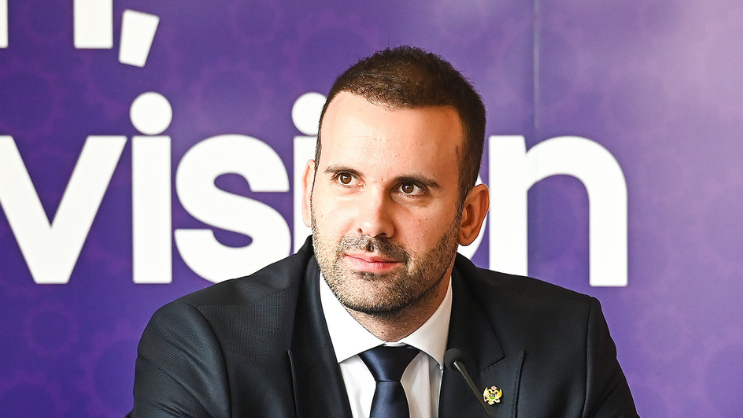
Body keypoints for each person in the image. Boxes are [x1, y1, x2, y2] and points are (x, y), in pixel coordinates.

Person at [128, 46, 639, 418]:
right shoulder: (204, 346)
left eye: (410, 188)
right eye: (346, 179)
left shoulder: (566, 342)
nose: (373, 221)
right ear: (309, 191)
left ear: (469, 215)